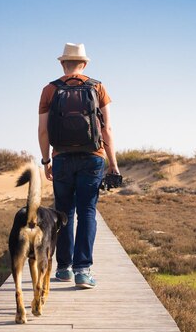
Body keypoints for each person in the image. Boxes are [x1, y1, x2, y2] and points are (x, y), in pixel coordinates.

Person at [38, 42, 119, 289]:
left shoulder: (50, 90)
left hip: (61, 158)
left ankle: (64, 269)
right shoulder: (98, 87)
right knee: (87, 212)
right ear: (83, 64)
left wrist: (46, 160)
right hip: (93, 157)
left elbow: (42, 130)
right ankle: (83, 271)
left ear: (63, 64)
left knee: (64, 213)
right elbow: (107, 129)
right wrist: (113, 164)